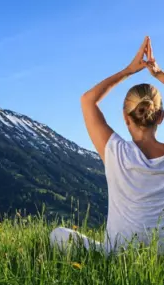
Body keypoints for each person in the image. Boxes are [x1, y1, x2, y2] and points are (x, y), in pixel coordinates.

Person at [50, 36, 164, 255]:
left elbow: (87, 100)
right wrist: (158, 74)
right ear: (160, 117)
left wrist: (129, 70)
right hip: (159, 259)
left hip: (115, 256)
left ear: (125, 117)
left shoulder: (115, 152)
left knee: (59, 235)